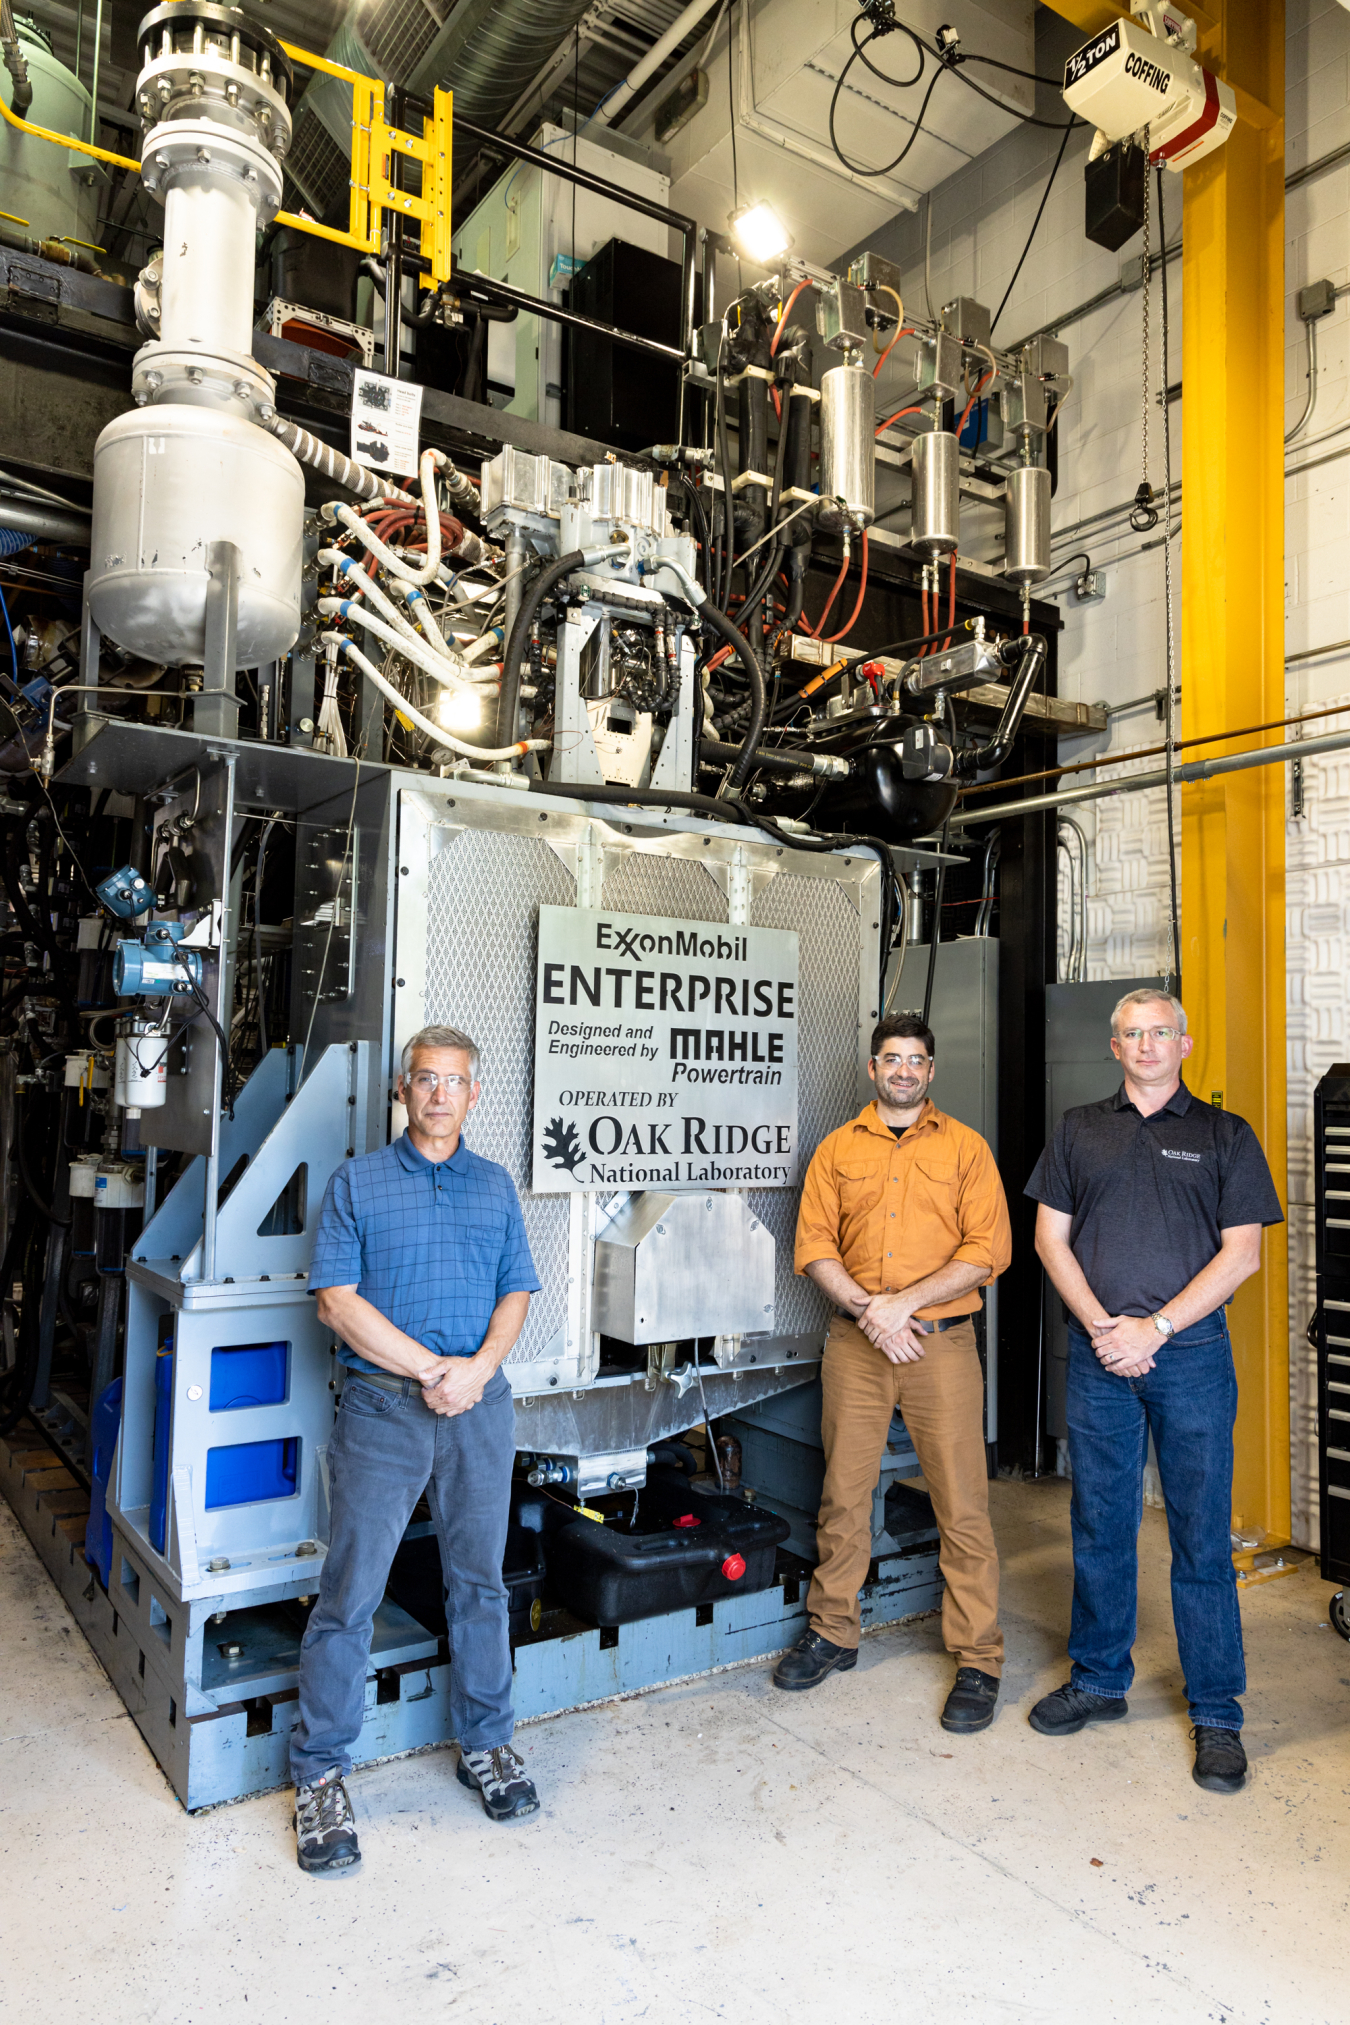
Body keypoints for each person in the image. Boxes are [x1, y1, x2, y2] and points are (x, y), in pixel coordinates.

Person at [289, 1023, 543, 1877]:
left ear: (476, 1094)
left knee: (480, 1584)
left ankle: (487, 1744)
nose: (440, 1093)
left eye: (455, 1081)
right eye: (426, 1079)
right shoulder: (358, 1182)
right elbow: (335, 1301)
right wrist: (435, 1368)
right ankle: (321, 1772)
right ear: (403, 1091)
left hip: (479, 1410)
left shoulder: (495, 1185)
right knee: (349, 1593)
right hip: (383, 1410)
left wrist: (476, 1372)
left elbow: (516, 1292)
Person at [1026, 988, 1283, 1794]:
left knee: (1201, 1537)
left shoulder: (1223, 1134)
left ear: (1185, 1041)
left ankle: (1216, 1710)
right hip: (1100, 1353)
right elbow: (1048, 1238)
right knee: (1100, 1521)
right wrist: (1108, 1326)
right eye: (1131, 1033)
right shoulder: (1079, 1128)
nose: (1146, 1044)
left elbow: (1242, 1255)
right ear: (1115, 1046)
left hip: (1192, 1355)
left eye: (1159, 1032)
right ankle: (1100, 1679)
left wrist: (1155, 1329)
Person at [776, 1012, 1012, 1733]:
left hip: (938, 1344)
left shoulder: (967, 1150)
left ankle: (978, 1657)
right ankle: (833, 1631)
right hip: (857, 1345)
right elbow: (814, 1243)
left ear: (930, 1071)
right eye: (891, 1058)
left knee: (961, 1503)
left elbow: (988, 1249)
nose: (903, 1070)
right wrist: (869, 1311)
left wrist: (902, 1305)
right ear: (872, 1067)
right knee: (843, 1493)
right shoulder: (837, 1149)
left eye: (916, 1059)